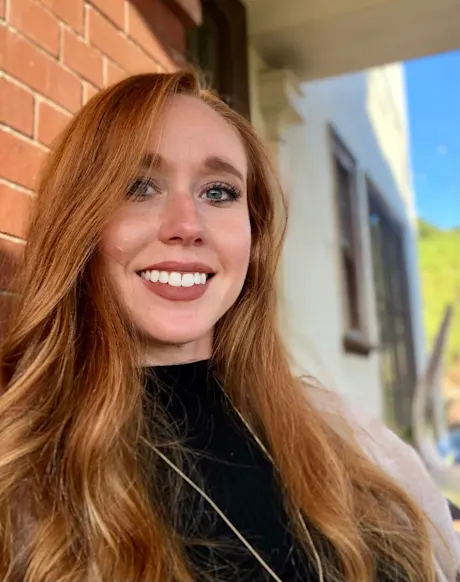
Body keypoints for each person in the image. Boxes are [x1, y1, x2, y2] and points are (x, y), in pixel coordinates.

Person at [0, 71, 458, 582]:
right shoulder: (20, 480)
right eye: (139, 186)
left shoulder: (346, 436)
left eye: (218, 192)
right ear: (77, 221)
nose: (187, 225)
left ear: (252, 235)